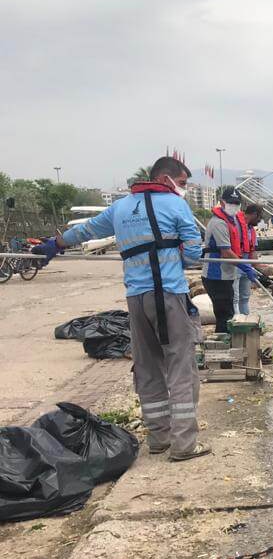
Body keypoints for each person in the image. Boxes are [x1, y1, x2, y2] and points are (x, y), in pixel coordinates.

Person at [32, 156, 211, 462]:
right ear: (166, 178)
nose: (183, 189)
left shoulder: (121, 207)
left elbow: (85, 231)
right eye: (182, 183)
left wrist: (55, 244)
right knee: (181, 368)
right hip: (169, 296)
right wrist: (179, 257)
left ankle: (159, 438)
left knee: (149, 367)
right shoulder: (177, 205)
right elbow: (194, 254)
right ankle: (184, 445)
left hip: (136, 299)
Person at [202, 186, 245, 333]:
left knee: (227, 311)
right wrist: (245, 267)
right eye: (231, 202)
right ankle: (223, 344)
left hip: (226, 274)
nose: (234, 206)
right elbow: (226, 252)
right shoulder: (218, 223)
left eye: (236, 203)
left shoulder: (231, 221)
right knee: (224, 315)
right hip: (216, 275)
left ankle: (225, 341)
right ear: (222, 202)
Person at [233, 204, 261, 316]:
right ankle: (235, 323)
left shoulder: (251, 229)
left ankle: (246, 319)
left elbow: (252, 251)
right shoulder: (235, 224)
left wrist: (259, 268)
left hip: (247, 267)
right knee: (234, 297)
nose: (259, 221)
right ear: (254, 214)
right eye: (259, 218)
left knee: (245, 296)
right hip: (235, 265)